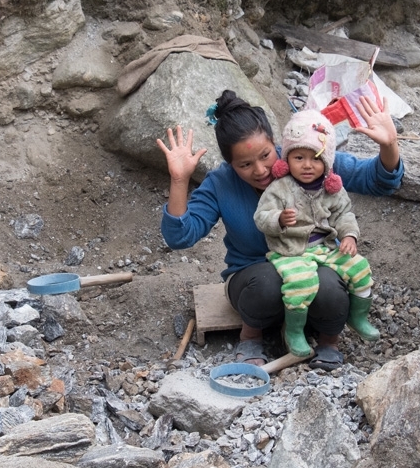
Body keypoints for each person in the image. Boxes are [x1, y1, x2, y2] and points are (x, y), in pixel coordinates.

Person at [157, 89, 402, 370]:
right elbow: (180, 236)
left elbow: (380, 180)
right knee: (268, 282)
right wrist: (179, 180)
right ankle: (251, 337)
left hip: (314, 266)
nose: (260, 170)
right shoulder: (220, 183)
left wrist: (389, 145)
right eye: (245, 164)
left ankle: (327, 341)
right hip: (253, 281)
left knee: (330, 286)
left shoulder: (304, 158)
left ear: (275, 143)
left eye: (265, 155)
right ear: (230, 164)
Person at [253, 109, 380, 357]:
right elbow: (261, 216)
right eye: (299, 157)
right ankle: (294, 331)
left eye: (316, 158)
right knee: (301, 283)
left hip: (325, 247)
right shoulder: (279, 188)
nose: (307, 165)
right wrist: (278, 219)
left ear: (328, 162)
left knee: (360, 267)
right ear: (286, 160)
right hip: (289, 251)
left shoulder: (331, 189)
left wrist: (349, 236)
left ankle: (358, 317)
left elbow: (344, 214)